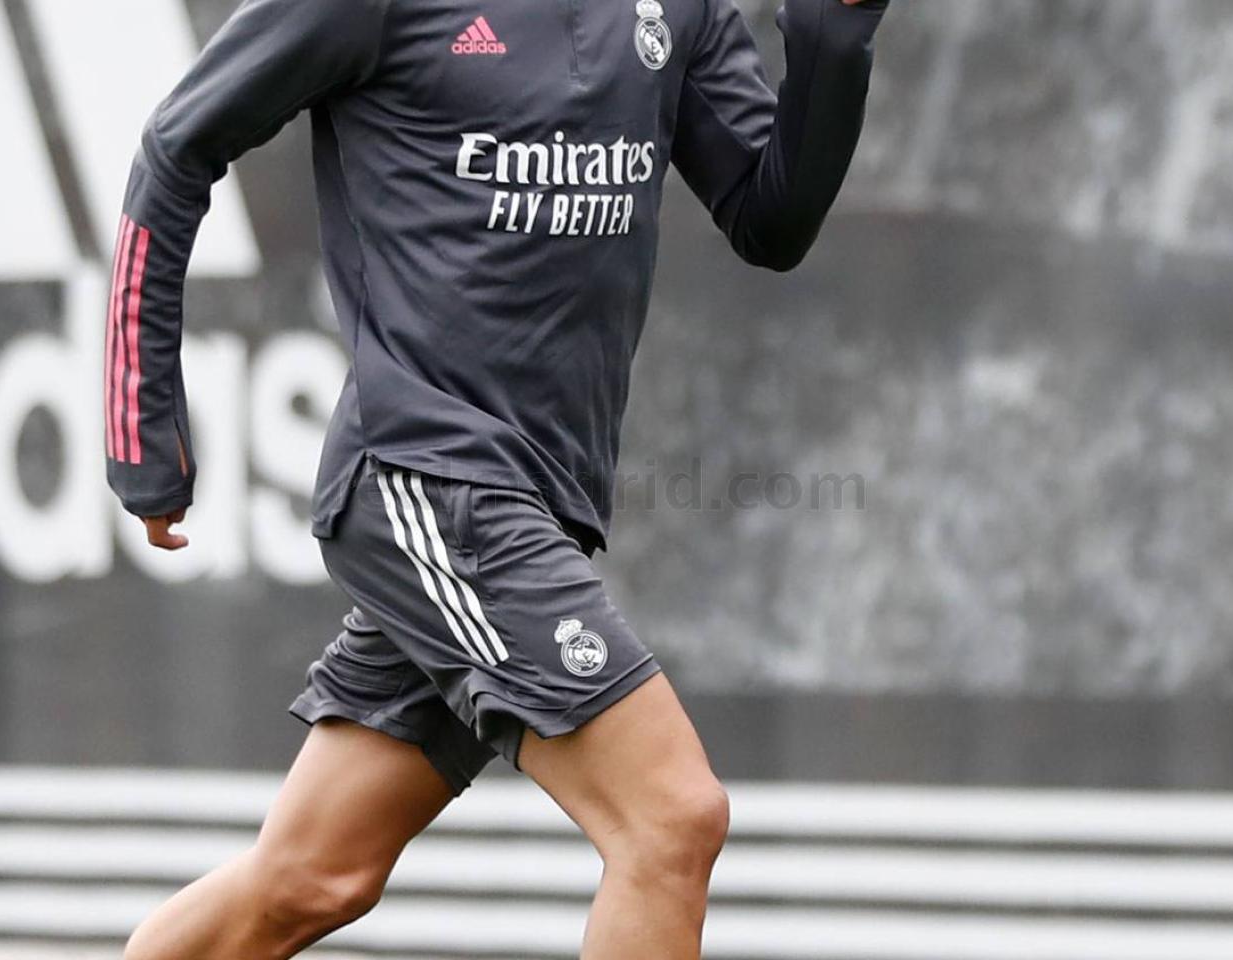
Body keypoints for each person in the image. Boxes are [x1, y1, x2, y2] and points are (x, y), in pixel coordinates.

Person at [102, 0, 892, 955]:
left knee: (314, 877)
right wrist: (141, 435)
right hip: (425, 481)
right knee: (672, 819)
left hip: (532, 503)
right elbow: (174, 146)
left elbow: (771, 217)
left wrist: (834, 31)